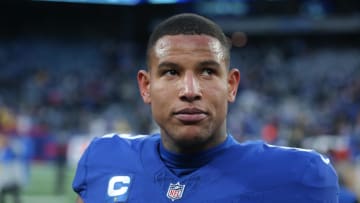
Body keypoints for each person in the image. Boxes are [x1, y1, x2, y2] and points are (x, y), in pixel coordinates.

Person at [72, 13, 339, 203]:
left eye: (208, 71)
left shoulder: (300, 174)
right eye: (171, 72)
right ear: (145, 86)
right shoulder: (103, 157)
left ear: (232, 85)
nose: (190, 91)